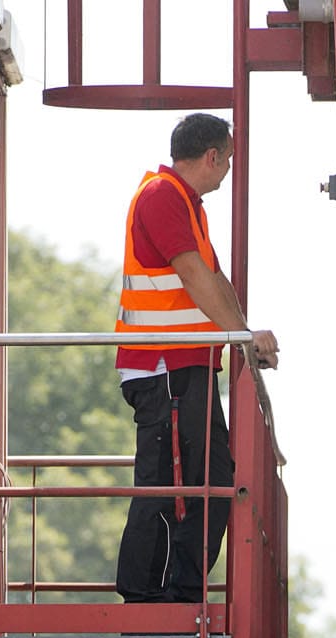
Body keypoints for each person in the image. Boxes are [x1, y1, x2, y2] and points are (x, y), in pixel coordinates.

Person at [113, 112, 279, 606]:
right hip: (165, 365)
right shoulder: (162, 197)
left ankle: (179, 594)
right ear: (212, 156)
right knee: (171, 482)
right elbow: (195, 276)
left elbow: (217, 284)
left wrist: (244, 336)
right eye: (227, 160)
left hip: (184, 365)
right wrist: (244, 335)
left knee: (208, 480)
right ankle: (149, 599)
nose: (227, 171)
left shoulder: (187, 206)